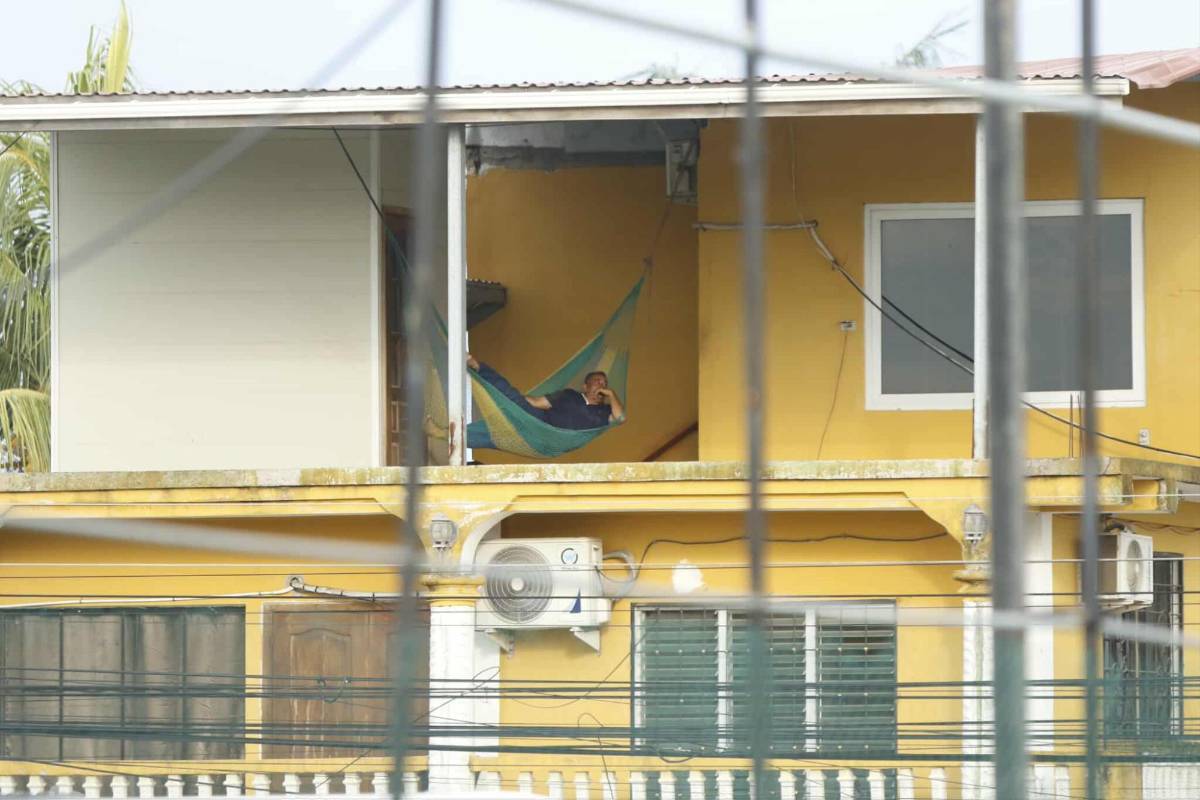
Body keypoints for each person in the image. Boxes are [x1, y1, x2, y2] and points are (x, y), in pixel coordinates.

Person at [468, 353, 625, 429]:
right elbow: (536, 402)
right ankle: (479, 367)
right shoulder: (569, 395)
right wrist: (512, 400)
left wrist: (611, 394)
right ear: (585, 387)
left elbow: (621, 418)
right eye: (597, 381)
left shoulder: (604, 411)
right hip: (544, 426)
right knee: (513, 398)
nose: (601, 385)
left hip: (565, 440)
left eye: (604, 383)